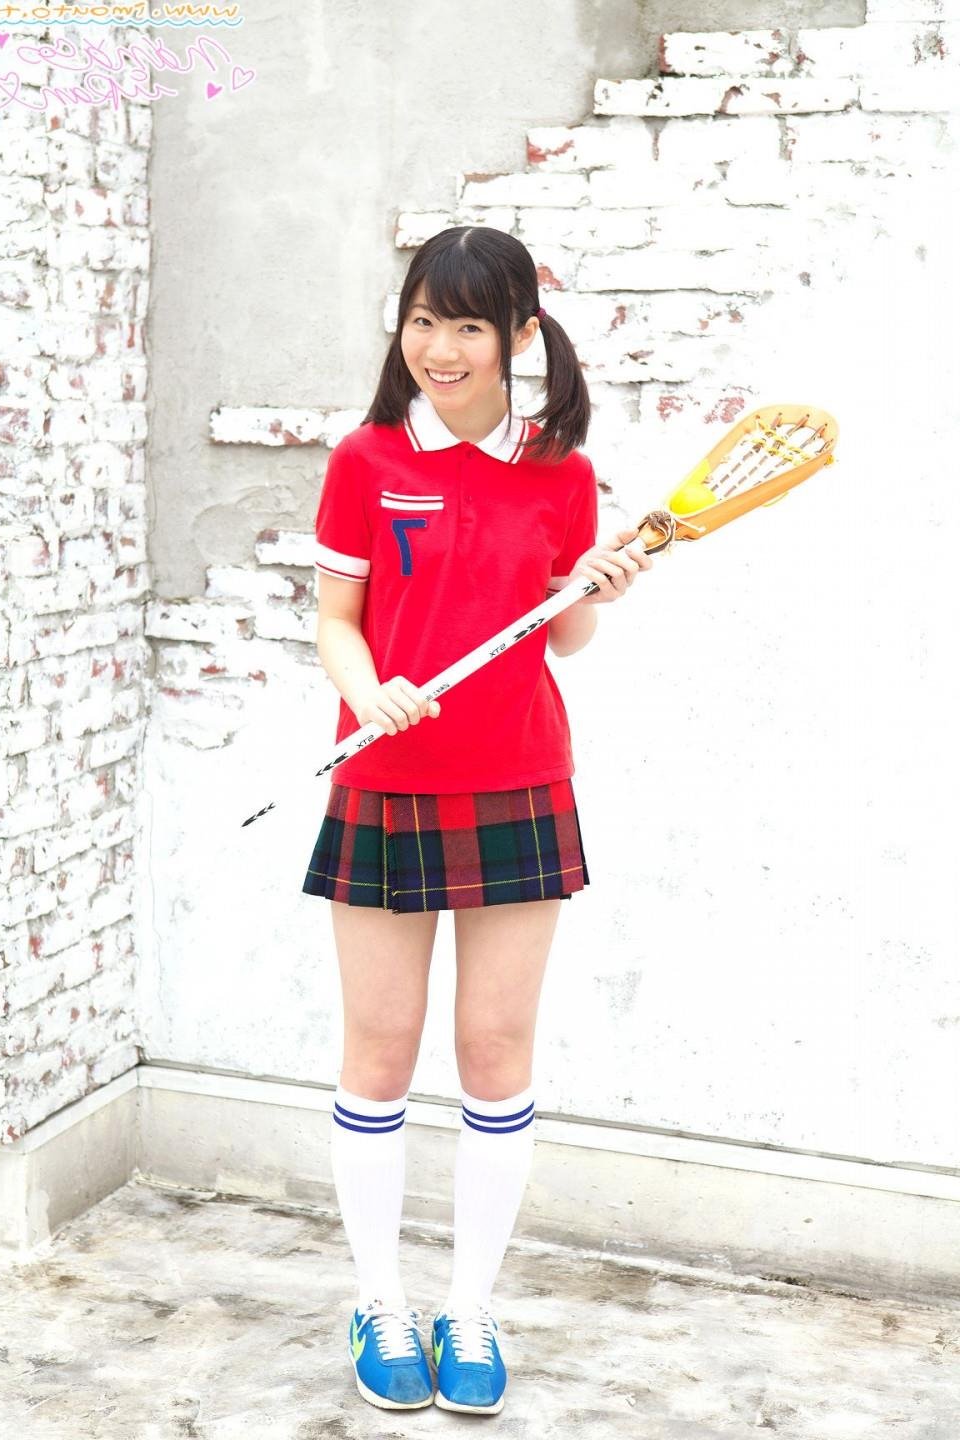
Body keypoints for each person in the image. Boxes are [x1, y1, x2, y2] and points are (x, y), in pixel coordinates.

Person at [302, 225, 653, 1414]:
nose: (439, 347)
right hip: (386, 781)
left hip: (517, 781)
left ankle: (468, 1309)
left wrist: (594, 591)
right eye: (422, 320)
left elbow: (563, 635)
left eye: (466, 324)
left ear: (519, 335)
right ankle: (379, 1302)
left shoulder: (560, 471)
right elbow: (336, 621)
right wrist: (369, 692)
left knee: (495, 1054)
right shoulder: (367, 458)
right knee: (379, 1050)